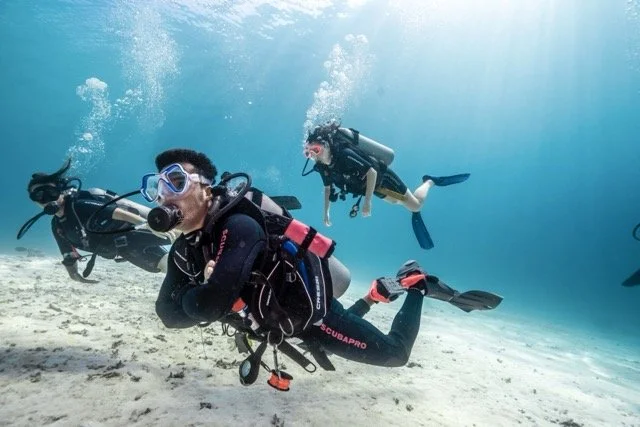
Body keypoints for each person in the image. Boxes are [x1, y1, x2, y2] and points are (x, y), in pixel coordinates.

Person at [147, 148, 502, 390]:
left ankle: (417, 285)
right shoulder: (185, 249)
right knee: (331, 342)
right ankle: (375, 295)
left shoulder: (240, 225)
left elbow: (205, 307)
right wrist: (205, 295)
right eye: (157, 187)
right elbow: (168, 314)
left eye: (176, 182)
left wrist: (201, 297)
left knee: (394, 354)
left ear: (206, 189)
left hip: (310, 317)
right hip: (279, 321)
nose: (164, 195)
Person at [301, 121, 470, 249]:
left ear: (326, 144)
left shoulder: (345, 154)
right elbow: (327, 188)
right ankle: (409, 200)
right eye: (308, 153)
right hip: (374, 188)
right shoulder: (324, 167)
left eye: (316, 149)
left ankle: (430, 181)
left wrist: (367, 202)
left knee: (416, 206)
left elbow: (372, 172)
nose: (313, 155)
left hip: (384, 179)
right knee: (396, 202)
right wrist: (326, 213)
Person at [19, 158, 175, 283]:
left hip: (134, 231)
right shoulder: (57, 226)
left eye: (50, 193)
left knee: (177, 235)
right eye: (38, 196)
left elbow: (119, 213)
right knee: (163, 265)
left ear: (60, 191)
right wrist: (74, 275)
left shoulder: (79, 205)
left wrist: (148, 225)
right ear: (33, 201)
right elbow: (68, 255)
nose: (45, 199)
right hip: (123, 248)